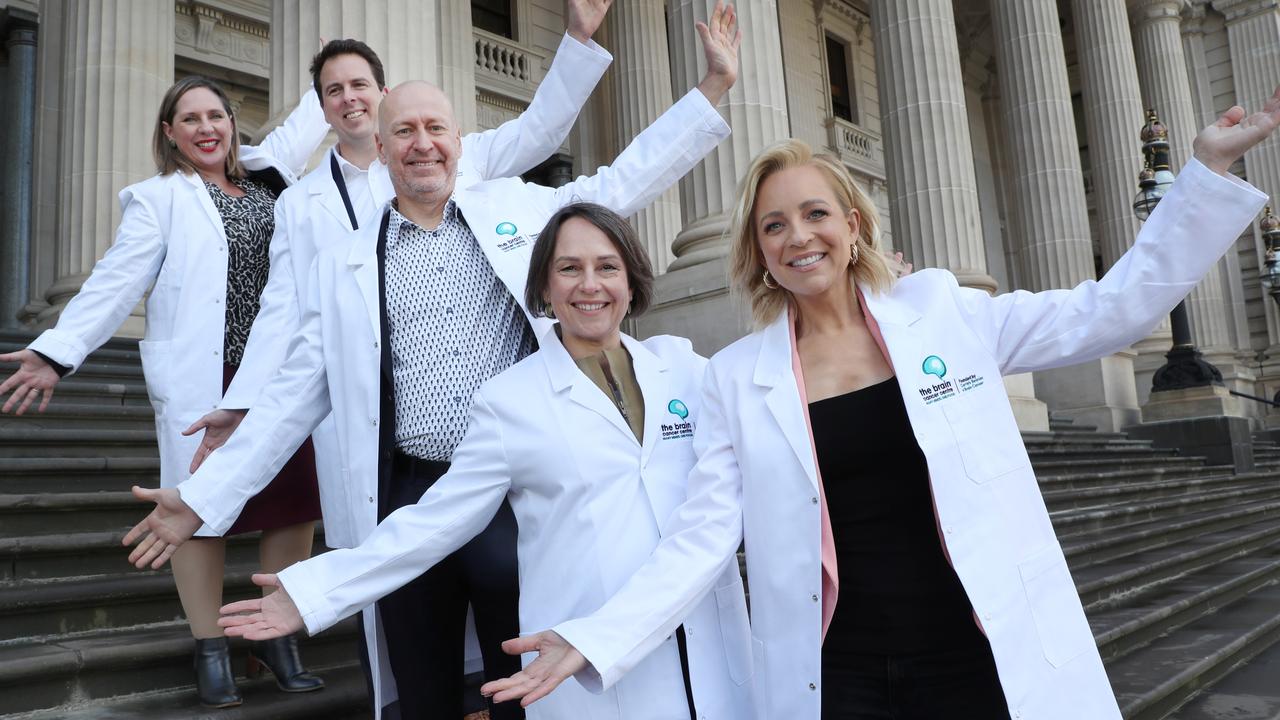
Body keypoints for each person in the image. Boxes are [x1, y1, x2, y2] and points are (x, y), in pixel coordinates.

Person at [471, 90, 1280, 720]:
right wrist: (595, 639)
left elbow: (1113, 311)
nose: (799, 237)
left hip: (975, 649)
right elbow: (701, 540)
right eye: (774, 225)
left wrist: (1201, 177)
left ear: (853, 226)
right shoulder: (737, 378)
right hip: (839, 672)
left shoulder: (946, 314)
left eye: (816, 214)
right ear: (760, 252)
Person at [122, 4, 742, 718]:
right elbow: (294, 397)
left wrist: (712, 91)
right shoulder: (346, 265)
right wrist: (203, 497)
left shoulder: (514, 215)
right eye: (405, 133)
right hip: (408, 495)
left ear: (458, 140)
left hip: (515, 496)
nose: (423, 145)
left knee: (527, 677)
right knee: (421, 684)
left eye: (436, 129)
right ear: (380, 148)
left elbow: (618, 183)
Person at [211, 202, 754, 719]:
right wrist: (315, 592)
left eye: (606, 267)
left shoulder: (685, 368)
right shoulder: (509, 400)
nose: (590, 285)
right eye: (569, 268)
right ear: (543, 284)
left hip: (705, 643)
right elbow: (435, 521)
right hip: (576, 652)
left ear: (631, 281)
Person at [0, 76, 330, 707]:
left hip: (280, 378)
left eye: (216, 116)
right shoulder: (158, 200)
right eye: (190, 119)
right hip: (205, 380)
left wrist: (335, 72)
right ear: (169, 133)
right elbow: (113, 282)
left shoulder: (268, 178)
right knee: (197, 512)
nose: (206, 128)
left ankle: (274, 634)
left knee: (294, 508)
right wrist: (55, 352)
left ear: (233, 123)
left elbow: (318, 110)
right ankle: (210, 646)